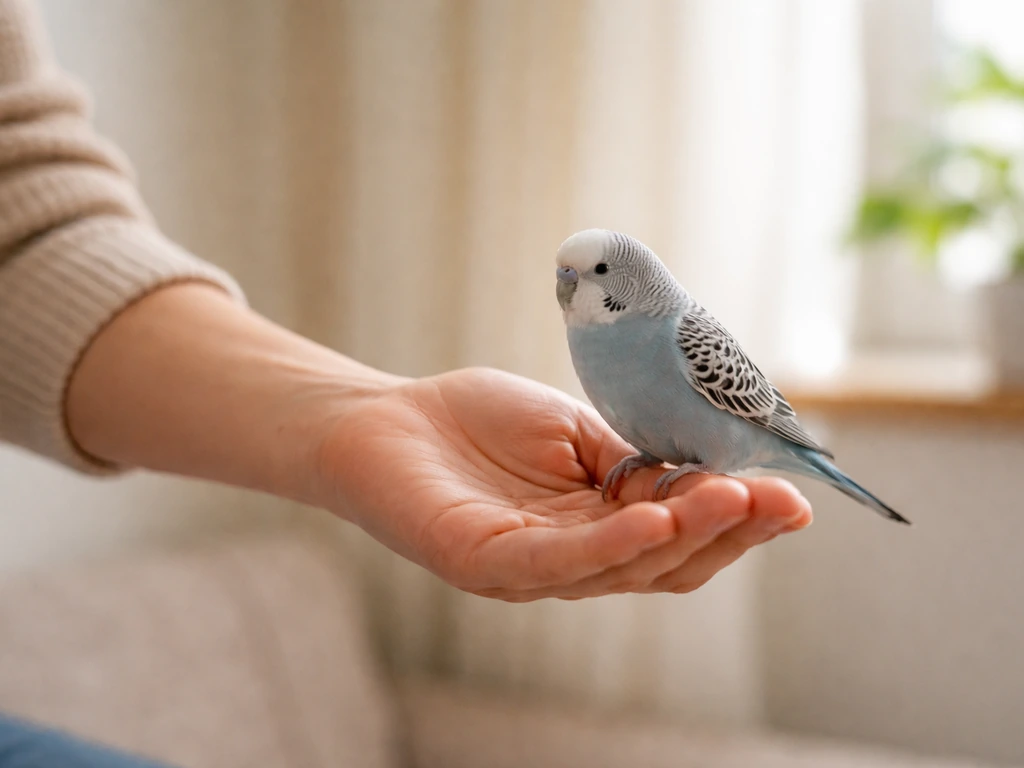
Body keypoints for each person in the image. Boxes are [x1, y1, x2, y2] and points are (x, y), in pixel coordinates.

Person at [0, 0, 810, 762]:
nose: (566, 288)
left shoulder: (682, 333)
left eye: (589, 273)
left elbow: (25, 223)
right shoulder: (599, 328)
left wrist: (361, 416)